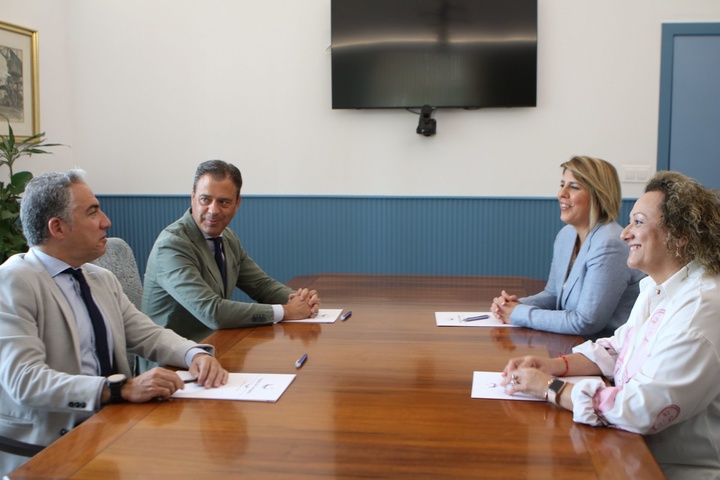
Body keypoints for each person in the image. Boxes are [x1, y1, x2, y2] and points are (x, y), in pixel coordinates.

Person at [0, 170, 229, 476]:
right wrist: (120, 389)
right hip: (48, 447)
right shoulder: (12, 281)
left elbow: (147, 334)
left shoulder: (99, 278)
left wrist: (195, 354)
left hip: (110, 426)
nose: (106, 221)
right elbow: (25, 381)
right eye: (93, 212)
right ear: (58, 227)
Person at [500, 171, 720, 479]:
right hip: (632, 450)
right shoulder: (656, 287)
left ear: (680, 236)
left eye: (639, 222)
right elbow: (619, 347)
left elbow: (643, 408)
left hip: (673, 470)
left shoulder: (700, 308)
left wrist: (550, 388)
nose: (625, 233)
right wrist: (553, 366)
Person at [142, 160, 320, 343]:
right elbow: (212, 311)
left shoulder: (227, 238)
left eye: (223, 202)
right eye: (205, 199)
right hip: (171, 361)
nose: (213, 210)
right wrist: (287, 311)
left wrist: (301, 301)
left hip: (214, 345)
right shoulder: (172, 245)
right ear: (193, 197)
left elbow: (261, 285)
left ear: (237, 203)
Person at [491, 156, 644, 339]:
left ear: (598, 195)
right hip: (572, 344)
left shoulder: (609, 244)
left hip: (605, 353)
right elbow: (553, 295)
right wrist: (511, 305)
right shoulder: (566, 235)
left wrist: (518, 313)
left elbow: (585, 322)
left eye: (573, 186)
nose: (561, 193)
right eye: (562, 184)